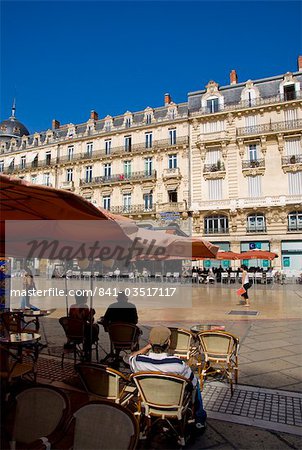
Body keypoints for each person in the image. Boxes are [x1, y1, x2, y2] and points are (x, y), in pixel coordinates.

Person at [129, 326, 207, 431]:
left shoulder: (138, 361)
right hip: (173, 403)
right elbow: (192, 384)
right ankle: (199, 419)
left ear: (150, 342)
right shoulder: (178, 364)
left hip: (149, 401)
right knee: (196, 383)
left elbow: (130, 357)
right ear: (169, 342)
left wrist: (146, 347)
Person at [69, 293, 99, 359]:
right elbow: (90, 321)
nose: (87, 297)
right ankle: (89, 346)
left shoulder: (72, 307)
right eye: (86, 296)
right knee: (94, 328)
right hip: (81, 331)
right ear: (82, 298)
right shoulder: (84, 307)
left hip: (72, 332)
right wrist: (92, 313)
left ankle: (87, 347)